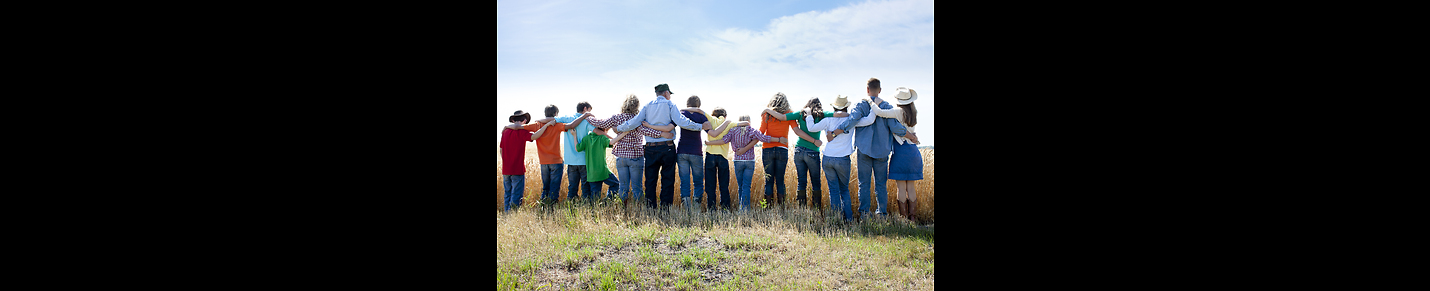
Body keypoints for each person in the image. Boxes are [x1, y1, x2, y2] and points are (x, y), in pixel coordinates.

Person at [829, 78, 919, 218]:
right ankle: (882, 214)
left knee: (864, 184)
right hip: (882, 151)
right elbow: (895, 127)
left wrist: (836, 132)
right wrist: (911, 136)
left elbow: (851, 120)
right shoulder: (887, 106)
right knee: (880, 185)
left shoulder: (861, 104)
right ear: (880, 90)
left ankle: (864, 213)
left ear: (867, 89)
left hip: (864, 150)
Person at [615, 84, 709, 210]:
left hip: (650, 148)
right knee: (668, 180)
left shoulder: (647, 106)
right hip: (667, 147)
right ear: (666, 93)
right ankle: (665, 208)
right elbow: (681, 121)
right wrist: (699, 126)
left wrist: (620, 128)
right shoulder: (670, 105)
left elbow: (634, 122)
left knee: (650, 180)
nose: (669, 96)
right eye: (669, 94)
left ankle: (650, 208)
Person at [761, 97, 851, 212]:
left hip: (798, 150)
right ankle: (817, 209)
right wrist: (852, 116)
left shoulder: (800, 113)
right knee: (815, 182)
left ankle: (801, 209)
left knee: (801, 181)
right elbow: (839, 115)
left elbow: (782, 117)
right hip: (812, 151)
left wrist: (768, 110)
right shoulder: (822, 114)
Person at [584, 94, 675, 206]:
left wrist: (586, 116)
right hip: (636, 156)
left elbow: (600, 123)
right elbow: (647, 131)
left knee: (623, 187)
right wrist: (662, 134)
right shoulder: (637, 119)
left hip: (621, 157)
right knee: (637, 188)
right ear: (636, 106)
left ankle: (623, 210)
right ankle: (638, 210)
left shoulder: (616, 118)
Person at [707, 115, 788, 212]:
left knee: (741, 186)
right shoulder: (751, 130)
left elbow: (723, 140)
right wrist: (779, 140)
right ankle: (744, 210)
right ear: (748, 121)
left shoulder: (733, 130)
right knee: (746, 186)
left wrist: (709, 143)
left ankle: (742, 208)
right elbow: (764, 138)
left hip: (738, 161)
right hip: (749, 161)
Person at [864, 87, 922, 222]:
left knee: (901, 187)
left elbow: (879, 112)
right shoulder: (913, 112)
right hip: (913, 152)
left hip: (901, 152)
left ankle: (903, 219)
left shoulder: (898, 111)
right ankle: (912, 218)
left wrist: (871, 101)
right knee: (911, 187)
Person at [804, 96, 862, 221]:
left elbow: (811, 128)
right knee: (844, 190)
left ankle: (836, 220)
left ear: (834, 107)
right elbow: (868, 120)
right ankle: (849, 220)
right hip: (843, 159)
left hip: (828, 158)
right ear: (846, 106)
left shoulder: (828, 119)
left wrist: (809, 114)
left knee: (833, 191)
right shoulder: (851, 119)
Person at [682, 107, 748, 212]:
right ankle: (725, 209)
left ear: (713, 114)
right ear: (725, 115)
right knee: (724, 185)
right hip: (723, 156)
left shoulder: (710, 120)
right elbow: (745, 123)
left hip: (710, 155)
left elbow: (699, 110)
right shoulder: (729, 123)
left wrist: (684, 109)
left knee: (710, 185)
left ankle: (712, 209)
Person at [675, 95, 733, 212]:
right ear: (699, 105)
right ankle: (696, 208)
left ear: (687, 104)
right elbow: (712, 132)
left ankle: (687, 209)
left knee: (684, 180)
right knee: (698, 181)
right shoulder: (701, 116)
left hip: (682, 151)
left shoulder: (681, 114)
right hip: (696, 151)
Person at [504, 105, 565, 206]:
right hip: (520, 168)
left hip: (507, 168)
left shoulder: (506, 131)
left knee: (508, 193)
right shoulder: (522, 132)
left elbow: (501, 150)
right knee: (517, 194)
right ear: (524, 120)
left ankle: (509, 213)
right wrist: (547, 125)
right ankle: (550, 209)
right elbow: (534, 136)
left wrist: (506, 126)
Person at [552, 102, 598, 203]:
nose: (590, 113)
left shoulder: (567, 118)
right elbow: (595, 131)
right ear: (585, 109)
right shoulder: (586, 121)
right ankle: (586, 208)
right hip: (584, 160)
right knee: (586, 187)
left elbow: (553, 120)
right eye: (589, 110)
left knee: (572, 187)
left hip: (571, 160)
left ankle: (571, 208)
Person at [576, 125, 630, 200]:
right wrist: (623, 134)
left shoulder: (586, 138)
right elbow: (611, 142)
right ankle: (607, 200)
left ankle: (594, 209)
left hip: (592, 174)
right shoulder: (602, 138)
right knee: (615, 184)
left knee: (595, 198)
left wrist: (574, 135)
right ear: (603, 130)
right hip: (603, 171)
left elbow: (578, 148)